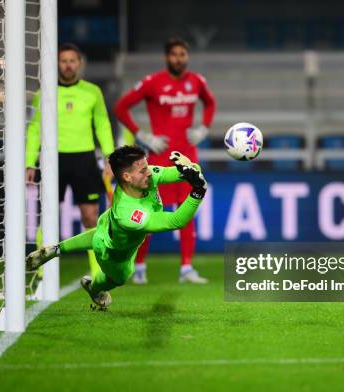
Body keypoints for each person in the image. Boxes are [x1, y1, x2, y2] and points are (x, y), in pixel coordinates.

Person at [25, 145, 207, 310]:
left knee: (100, 233)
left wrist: (188, 167)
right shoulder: (129, 214)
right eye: (143, 170)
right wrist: (197, 193)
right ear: (127, 176)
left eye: (147, 167)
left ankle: (56, 249)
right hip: (112, 252)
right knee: (120, 276)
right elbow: (175, 221)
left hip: (107, 224)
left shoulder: (143, 176)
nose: (149, 173)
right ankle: (94, 289)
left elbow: (180, 173)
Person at [114, 38, 216, 284]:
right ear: (166, 57)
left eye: (182, 54)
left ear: (187, 57)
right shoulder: (153, 83)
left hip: (188, 156)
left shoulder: (196, 81)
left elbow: (210, 103)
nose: (178, 58)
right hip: (160, 156)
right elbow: (121, 107)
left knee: (187, 210)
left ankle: (186, 269)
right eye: (174, 54)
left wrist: (203, 128)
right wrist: (142, 135)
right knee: (148, 213)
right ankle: (138, 267)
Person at [25, 43, 114, 278]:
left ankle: (97, 271)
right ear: (57, 64)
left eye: (72, 60)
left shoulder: (92, 91)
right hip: (53, 159)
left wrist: (110, 157)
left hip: (84, 159)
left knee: (90, 216)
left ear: (79, 63)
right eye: (63, 60)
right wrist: (29, 162)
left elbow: (103, 124)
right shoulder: (43, 94)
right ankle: (42, 272)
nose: (68, 65)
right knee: (48, 214)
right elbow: (34, 129)